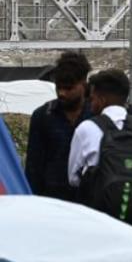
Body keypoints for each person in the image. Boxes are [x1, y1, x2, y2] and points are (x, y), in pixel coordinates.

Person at [67, 69, 132, 225]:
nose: (91, 103)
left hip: (97, 217)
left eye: (93, 98)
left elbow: (73, 179)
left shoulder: (86, 128)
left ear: (101, 100)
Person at [24, 51, 93, 201]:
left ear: (83, 84)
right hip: (52, 201)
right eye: (58, 87)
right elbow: (33, 168)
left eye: (68, 88)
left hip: (90, 202)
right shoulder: (43, 116)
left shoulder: (97, 117)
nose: (61, 93)